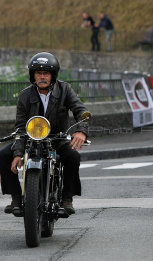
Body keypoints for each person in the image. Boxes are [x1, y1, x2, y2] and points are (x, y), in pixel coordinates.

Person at [0, 52, 89, 215]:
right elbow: (20, 126)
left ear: (53, 75)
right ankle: (16, 198)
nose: (42, 77)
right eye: (38, 73)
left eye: (45, 73)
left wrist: (81, 130)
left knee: (73, 156)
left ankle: (67, 199)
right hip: (30, 139)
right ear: (32, 75)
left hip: (58, 139)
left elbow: (80, 110)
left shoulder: (65, 89)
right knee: (4, 154)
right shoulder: (24, 95)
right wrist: (18, 153)